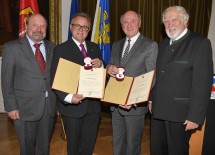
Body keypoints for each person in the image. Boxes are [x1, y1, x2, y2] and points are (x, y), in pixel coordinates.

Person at [150, 6, 213, 155]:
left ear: (185, 21)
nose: (170, 24)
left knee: (177, 151)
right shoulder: (163, 43)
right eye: (166, 21)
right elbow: (158, 76)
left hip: (181, 114)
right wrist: (152, 99)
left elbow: (203, 83)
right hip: (158, 110)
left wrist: (195, 116)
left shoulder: (200, 43)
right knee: (157, 149)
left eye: (174, 20)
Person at [1, 13, 56, 155]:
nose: (39, 29)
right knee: (26, 149)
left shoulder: (52, 47)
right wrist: (11, 106)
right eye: (35, 25)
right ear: (26, 27)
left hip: (48, 107)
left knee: (44, 148)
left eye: (43, 26)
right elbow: (7, 80)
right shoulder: (12, 48)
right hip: (24, 108)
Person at [107, 10, 158, 155]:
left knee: (132, 146)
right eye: (125, 22)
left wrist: (134, 100)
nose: (129, 25)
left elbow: (151, 77)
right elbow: (111, 65)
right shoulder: (116, 44)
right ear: (121, 25)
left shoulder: (150, 45)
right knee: (118, 144)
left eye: (133, 21)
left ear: (140, 23)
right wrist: (109, 68)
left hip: (134, 106)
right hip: (116, 104)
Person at [51, 12, 103, 155]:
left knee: (88, 145)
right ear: (70, 27)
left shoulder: (94, 48)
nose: (81, 29)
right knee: (73, 146)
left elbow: (100, 74)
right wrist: (68, 98)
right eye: (77, 26)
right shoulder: (61, 50)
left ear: (89, 30)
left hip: (93, 107)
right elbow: (54, 78)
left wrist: (101, 64)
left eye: (85, 27)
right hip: (73, 108)